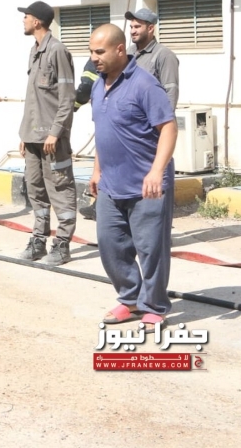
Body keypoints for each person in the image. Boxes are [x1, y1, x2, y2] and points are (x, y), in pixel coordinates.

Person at [88, 24, 177, 331]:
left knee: (151, 250)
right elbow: (104, 130)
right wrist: (97, 169)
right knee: (110, 245)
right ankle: (130, 298)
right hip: (111, 184)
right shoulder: (98, 85)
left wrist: (156, 171)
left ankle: (154, 306)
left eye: (100, 52)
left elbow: (168, 128)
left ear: (119, 49)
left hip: (146, 186)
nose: (94, 58)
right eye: (91, 51)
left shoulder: (144, 84)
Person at [16, 1, 77, 265]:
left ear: (37, 21)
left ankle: (62, 245)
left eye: (26, 16)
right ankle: (38, 241)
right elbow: (34, 98)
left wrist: (55, 132)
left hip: (52, 139)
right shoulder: (34, 51)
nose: (23, 20)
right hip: (33, 136)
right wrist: (25, 134)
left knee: (60, 189)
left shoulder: (57, 51)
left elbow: (67, 98)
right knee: (36, 190)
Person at [125, 8, 179, 109]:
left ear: (150, 29)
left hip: (152, 116)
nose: (132, 31)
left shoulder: (165, 55)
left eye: (137, 27)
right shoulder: (129, 52)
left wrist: (166, 118)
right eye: (131, 27)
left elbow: (171, 92)